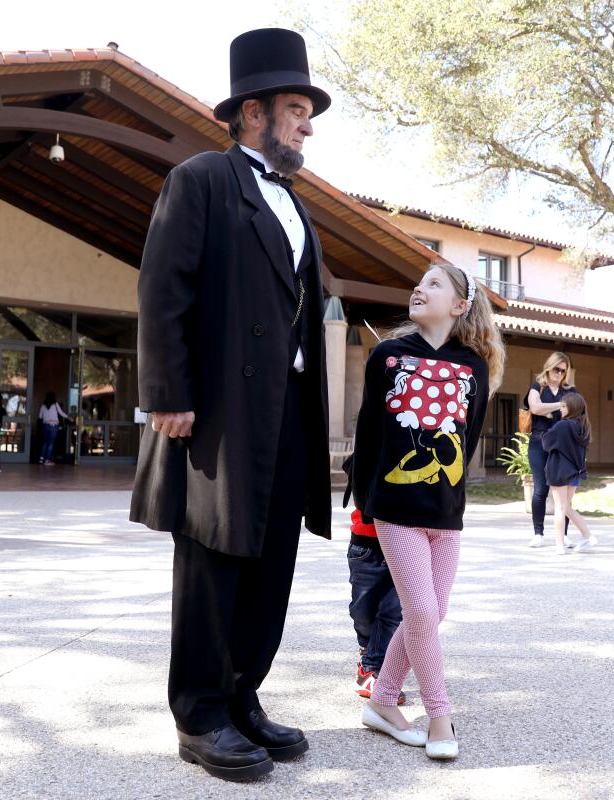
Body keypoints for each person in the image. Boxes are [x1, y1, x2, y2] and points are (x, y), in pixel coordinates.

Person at [127, 28, 333, 782]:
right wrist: (166, 395)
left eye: (307, 109)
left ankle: (243, 695)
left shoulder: (295, 204)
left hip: (287, 413)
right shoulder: (202, 180)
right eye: (295, 107)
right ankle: (200, 713)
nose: (307, 124)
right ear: (252, 113)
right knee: (213, 559)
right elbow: (162, 290)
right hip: (216, 411)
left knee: (272, 558)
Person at [350, 263, 502, 761]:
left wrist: (455, 502)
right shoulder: (389, 355)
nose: (420, 287)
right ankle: (440, 715)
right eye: (419, 282)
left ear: (459, 306)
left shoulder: (473, 366)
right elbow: (369, 428)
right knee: (419, 610)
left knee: (432, 614)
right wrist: (364, 500)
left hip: (445, 511)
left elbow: (469, 437)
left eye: (434, 283)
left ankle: (382, 700)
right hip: (394, 506)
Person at [346, 506, 404, 704]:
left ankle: (372, 667)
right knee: (362, 611)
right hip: (366, 543)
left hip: (404, 543)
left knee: (392, 612)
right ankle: (366, 649)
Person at [523, 352, 579, 548]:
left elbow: (576, 411)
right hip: (539, 443)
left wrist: (549, 409)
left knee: (564, 493)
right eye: (557, 369)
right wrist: (560, 406)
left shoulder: (570, 390)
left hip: (563, 446)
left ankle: (563, 535)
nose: (560, 373)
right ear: (549, 367)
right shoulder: (537, 387)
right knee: (540, 488)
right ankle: (538, 533)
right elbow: (535, 408)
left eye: (564, 371)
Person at [542, 393, 596, 554]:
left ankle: (560, 545)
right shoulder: (583, 426)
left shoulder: (561, 426)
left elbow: (546, 443)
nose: (561, 409)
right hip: (574, 472)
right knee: (566, 507)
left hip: (559, 470)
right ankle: (587, 535)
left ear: (572, 407)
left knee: (560, 508)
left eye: (564, 406)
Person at [37, 391, 70, 466]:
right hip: (53, 425)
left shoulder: (43, 406)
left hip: (45, 425)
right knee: (51, 443)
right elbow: (61, 413)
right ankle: (47, 460)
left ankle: (41, 458)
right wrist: (68, 417)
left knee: (45, 442)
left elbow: (40, 417)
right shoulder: (55, 404)